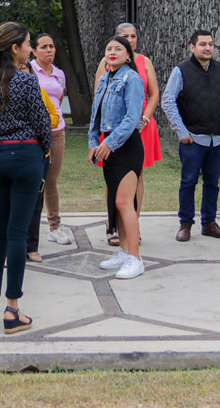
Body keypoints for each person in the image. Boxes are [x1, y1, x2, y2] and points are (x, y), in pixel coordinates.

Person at [0, 22, 51, 334]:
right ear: (15, 48)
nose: (31, 49)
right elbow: (42, 122)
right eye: (28, 44)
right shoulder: (27, 81)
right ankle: (12, 309)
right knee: (18, 233)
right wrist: (44, 153)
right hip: (25, 156)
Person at [160, 30, 220, 242]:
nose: (208, 48)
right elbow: (168, 101)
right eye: (203, 44)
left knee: (212, 183)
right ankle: (185, 224)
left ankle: (209, 223)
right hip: (193, 139)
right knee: (188, 182)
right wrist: (181, 131)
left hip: (218, 139)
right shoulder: (181, 71)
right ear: (192, 47)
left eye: (211, 44)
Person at [95, 22, 161, 245]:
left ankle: (133, 224)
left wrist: (144, 119)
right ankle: (112, 224)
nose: (131, 40)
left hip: (141, 125)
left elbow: (154, 94)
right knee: (113, 176)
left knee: (137, 175)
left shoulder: (144, 62)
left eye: (133, 36)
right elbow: (99, 97)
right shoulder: (107, 62)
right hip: (113, 126)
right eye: (126, 36)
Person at [90, 35, 146, 280]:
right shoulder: (104, 79)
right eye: (109, 48)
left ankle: (135, 258)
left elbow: (132, 118)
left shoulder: (132, 79)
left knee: (125, 202)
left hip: (126, 146)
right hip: (108, 146)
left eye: (118, 49)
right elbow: (95, 116)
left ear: (128, 55)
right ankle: (124, 252)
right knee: (115, 203)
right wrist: (93, 143)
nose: (112, 52)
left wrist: (109, 143)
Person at [27, 32, 73, 259]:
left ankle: (54, 227)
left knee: (51, 180)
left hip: (57, 131)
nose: (49, 50)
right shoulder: (28, 71)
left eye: (52, 46)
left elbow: (58, 98)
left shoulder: (59, 74)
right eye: (44, 47)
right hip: (35, 133)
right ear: (34, 50)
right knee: (35, 181)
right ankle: (28, 231)